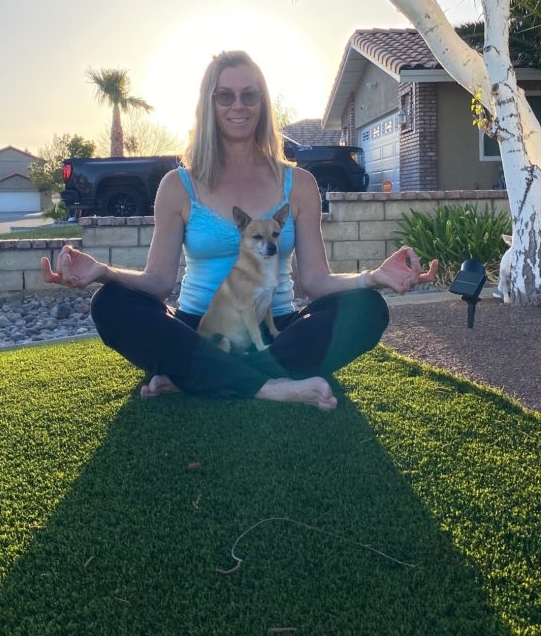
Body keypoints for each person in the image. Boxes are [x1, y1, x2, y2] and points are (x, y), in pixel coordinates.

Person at [41, 50, 438, 411]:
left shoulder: (298, 184)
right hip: (200, 328)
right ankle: (268, 385)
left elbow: (315, 281)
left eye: (250, 95)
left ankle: (198, 377)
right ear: (209, 104)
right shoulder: (179, 186)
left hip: (275, 329)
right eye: (225, 96)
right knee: (110, 304)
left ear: (263, 104)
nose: (238, 106)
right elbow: (159, 282)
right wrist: (103, 273)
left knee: (368, 309)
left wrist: (373, 278)